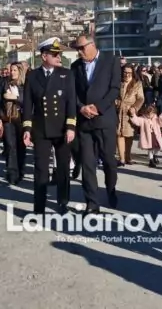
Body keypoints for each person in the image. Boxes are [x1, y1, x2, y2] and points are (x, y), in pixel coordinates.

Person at [22, 37, 77, 215]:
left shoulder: (66, 74)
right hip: (41, 129)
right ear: (44, 56)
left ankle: (63, 202)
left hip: (61, 129)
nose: (58, 57)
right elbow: (28, 105)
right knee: (41, 170)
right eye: (54, 54)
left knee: (63, 168)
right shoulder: (33, 76)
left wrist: (71, 127)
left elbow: (71, 103)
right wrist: (27, 129)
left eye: (58, 54)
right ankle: (39, 207)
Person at [71, 35, 121, 212]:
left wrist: (98, 107)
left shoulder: (111, 61)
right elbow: (73, 93)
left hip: (104, 120)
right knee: (87, 164)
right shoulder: (75, 67)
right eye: (77, 49)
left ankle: (111, 189)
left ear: (92, 45)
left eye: (82, 48)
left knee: (108, 161)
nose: (79, 52)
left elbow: (114, 89)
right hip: (85, 123)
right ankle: (92, 203)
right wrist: (81, 107)